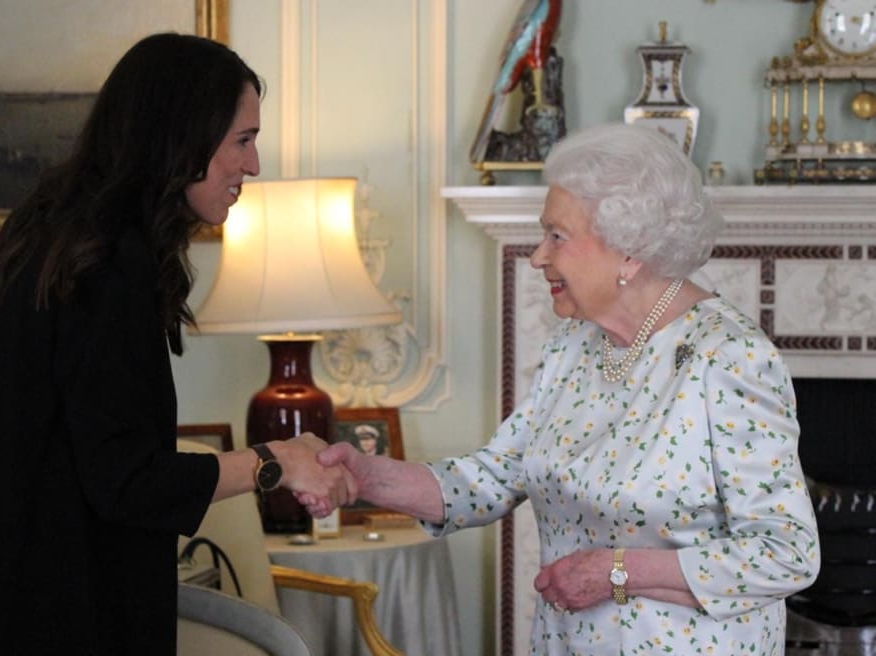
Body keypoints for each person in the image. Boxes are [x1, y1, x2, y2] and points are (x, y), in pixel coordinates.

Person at [0, 33, 351, 655]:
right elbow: (125, 480)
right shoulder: (110, 264)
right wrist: (272, 462)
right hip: (46, 617)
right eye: (242, 141)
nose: (252, 165)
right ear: (182, 137)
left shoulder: (59, 229)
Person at [309, 123, 820, 654]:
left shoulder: (729, 358)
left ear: (630, 247)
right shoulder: (574, 345)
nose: (537, 257)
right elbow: (490, 478)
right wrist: (364, 475)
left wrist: (617, 572)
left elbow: (787, 552)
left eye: (557, 236)